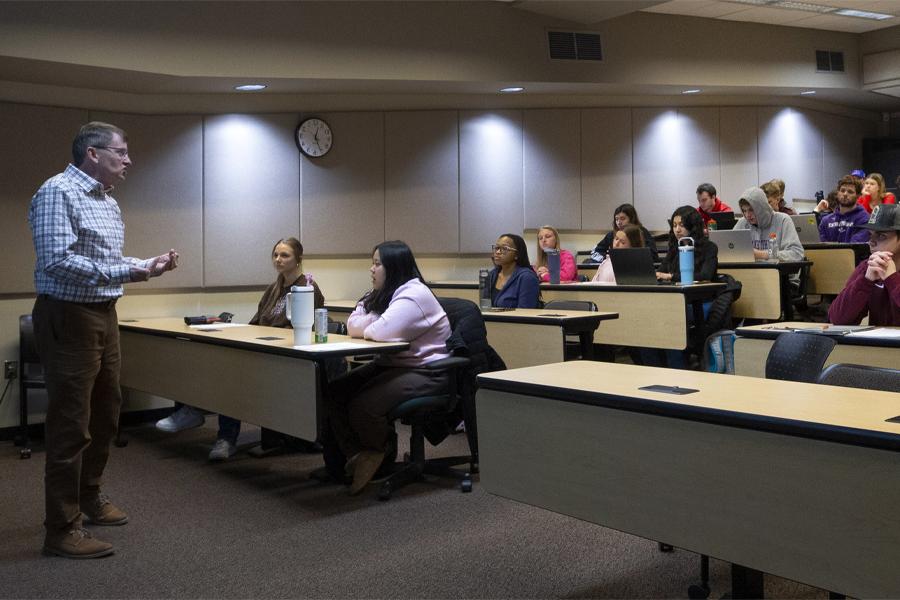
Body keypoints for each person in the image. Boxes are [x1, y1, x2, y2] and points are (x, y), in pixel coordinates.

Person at [29, 122, 179, 559]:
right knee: (70, 424)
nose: (129, 160)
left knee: (106, 411)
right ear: (93, 154)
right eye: (121, 152)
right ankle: (61, 528)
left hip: (103, 314)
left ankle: (88, 495)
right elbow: (57, 261)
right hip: (68, 316)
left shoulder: (108, 202)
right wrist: (126, 271)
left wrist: (145, 264)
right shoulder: (58, 192)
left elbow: (104, 261)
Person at [155, 238, 325, 460]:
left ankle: (223, 435)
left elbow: (305, 328)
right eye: (275, 255)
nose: (278, 259)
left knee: (229, 374)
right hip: (263, 349)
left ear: (298, 259)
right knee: (214, 358)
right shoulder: (273, 289)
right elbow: (256, 322)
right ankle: (194, 410)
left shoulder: (307, 288)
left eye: (284, 255)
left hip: (286, 356)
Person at [324, 240, 451, 494]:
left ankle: (379, 452)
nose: (371, 269)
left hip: (427, 370)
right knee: (334, 392)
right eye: (372, 263)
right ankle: (358, 455)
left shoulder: (414, 294)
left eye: (377, 263)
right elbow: (353, 323)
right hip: (394, 365)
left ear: (394, 266)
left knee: (364, 405)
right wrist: (375, 319)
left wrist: (373, 321)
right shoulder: (385, 292)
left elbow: (377, 332)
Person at [829, 205, 900, 326]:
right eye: (870, 235)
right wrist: (865, 281)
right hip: (879, 344)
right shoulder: (868, 267)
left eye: (881, 236)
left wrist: (892, 279)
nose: (871, 242)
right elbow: (837, 319)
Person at [734, 186, 804, 262]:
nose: (747, 215)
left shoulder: (783, 220)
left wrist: (762, 254)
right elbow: (730, 249)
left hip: (778, 272)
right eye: (744, 211)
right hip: (749, 271)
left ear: (761, 208)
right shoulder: (742, 223)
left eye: (751, 210)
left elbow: (797, 254)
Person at [656, 206, 718, 283]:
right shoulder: (675, 248)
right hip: (676, 291)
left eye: (682, 225)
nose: (677, 230)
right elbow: (661, 271)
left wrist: (671, 276)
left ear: (692, 226)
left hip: (700, 291)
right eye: (674, 225)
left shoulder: (709, 247)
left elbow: (705, 275)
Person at [589, 204, 658, 263]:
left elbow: (653, 256)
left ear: (631, 219)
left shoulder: (641, 233)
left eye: (622, 218)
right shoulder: (611, 235)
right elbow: (596, 251)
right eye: (616, 219)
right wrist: (606, 260)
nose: (619, 222)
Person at [488, 233, 540, 308]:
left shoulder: (527, 277)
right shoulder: (491, 275)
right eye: (496, 248)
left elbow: (526, 313)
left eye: (504, 248)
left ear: (517, 255)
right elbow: (484, 307)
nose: (498, 252)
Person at [818, 175, 870, 244]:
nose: (845, 194)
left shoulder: (865, 219)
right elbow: (821, 248)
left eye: (850, 192)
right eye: (842, 190)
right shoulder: (826, 221)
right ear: (838, 193)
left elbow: (854, 248)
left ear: (858, 196)